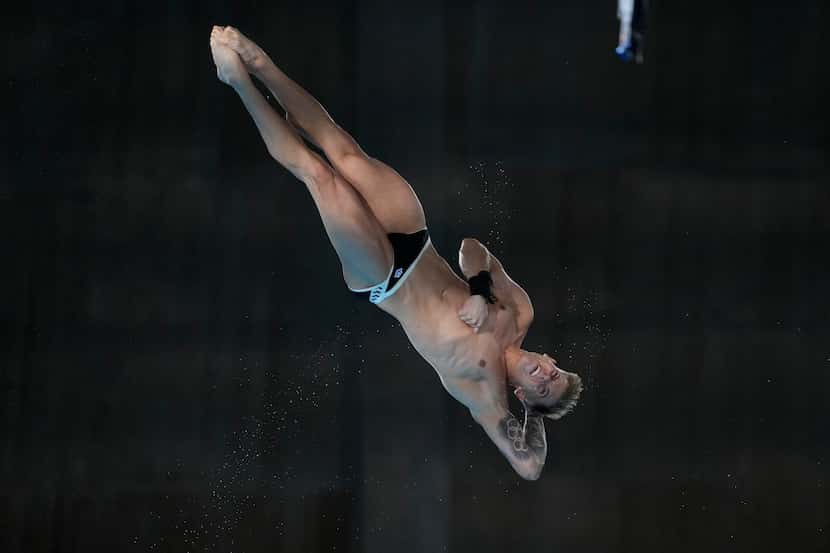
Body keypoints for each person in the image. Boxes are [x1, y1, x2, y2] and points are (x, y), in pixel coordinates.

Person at [209, 26, 583, 480]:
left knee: (319, 175)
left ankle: (238, 83)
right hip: (415, 237)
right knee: (342, 148)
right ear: (552, 360)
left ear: (524, 397)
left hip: (385, 278)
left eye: (542, 387)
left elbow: (529, 468)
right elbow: (472, 249)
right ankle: (261, 63)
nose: (544, 373)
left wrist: (539, 417)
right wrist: (481, 291)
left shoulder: (484, 392)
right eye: (553, 372)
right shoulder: (519, 312)